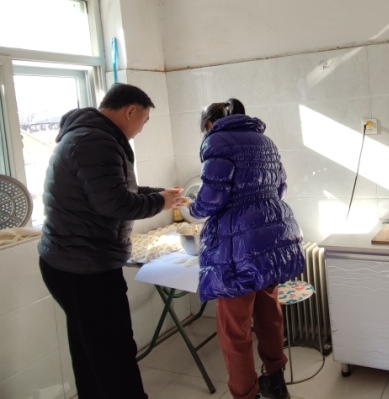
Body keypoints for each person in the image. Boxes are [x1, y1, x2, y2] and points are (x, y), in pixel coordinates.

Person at [38, 83, 184, 399]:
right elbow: (115, 203)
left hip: (70, 261)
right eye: (144, 120)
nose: (141, 129)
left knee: (91, 350)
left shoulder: (89, 136)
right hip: (84, 267)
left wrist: (158, 194)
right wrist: (160, 202)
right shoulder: (96, 141)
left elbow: (114, 189)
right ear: (130, 111)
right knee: (115, 353)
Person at [189, 98, 304, 399]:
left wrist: (192, 207)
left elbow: (211, 199)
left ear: (210, 124)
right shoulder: (265, 142)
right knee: (269, 315)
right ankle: (276, 382)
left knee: (234, 329)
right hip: (271, 238)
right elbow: (280, 188)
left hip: (236, 248)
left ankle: (245, 393)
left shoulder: (216, 142)